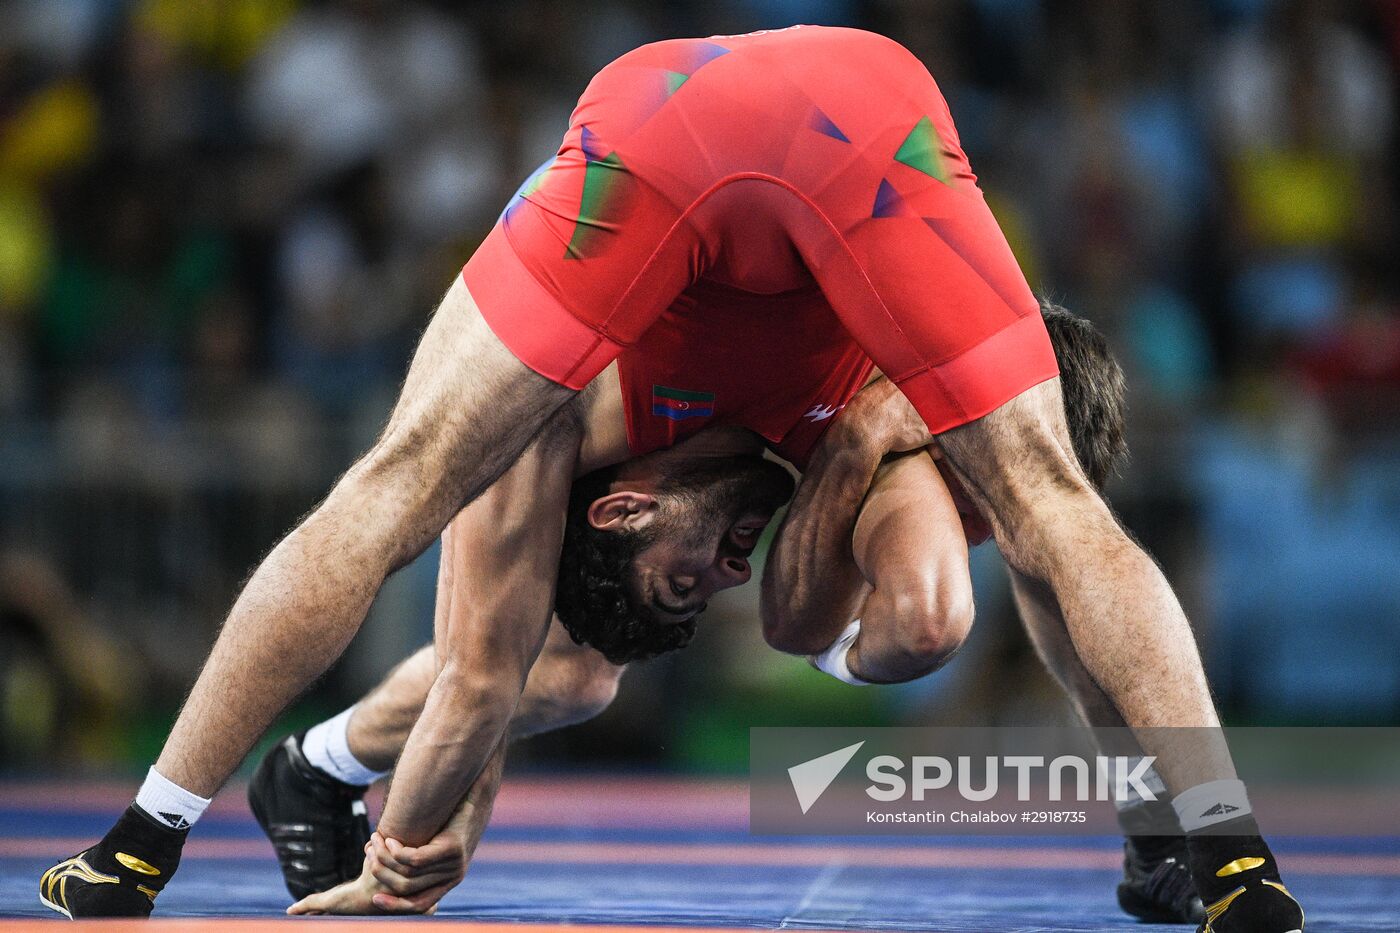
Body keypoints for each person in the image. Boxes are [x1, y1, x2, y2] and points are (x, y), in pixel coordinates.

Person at [43, 26, 1302, 932]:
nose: (727, 571)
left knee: (455, 549)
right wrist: (419, 855)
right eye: (713, 583)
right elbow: (493, 677)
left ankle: (167, 821)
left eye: (692, 575)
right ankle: (1204, 842)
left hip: (666, 133)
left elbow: (494, 669)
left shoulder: (585, 416)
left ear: (629, 501)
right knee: (548, 633)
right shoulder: (601, 429)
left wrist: (407, 857)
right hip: (851, 124)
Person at [256, 303, 1200, 925]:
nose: (985, 538)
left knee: (572, 676)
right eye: (990, 516)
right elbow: (916, 621)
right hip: (556, 382)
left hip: (633, 399)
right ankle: (295, 774)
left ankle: (318, 763)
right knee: (503, 661)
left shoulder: (925, 379)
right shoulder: (913, 416)